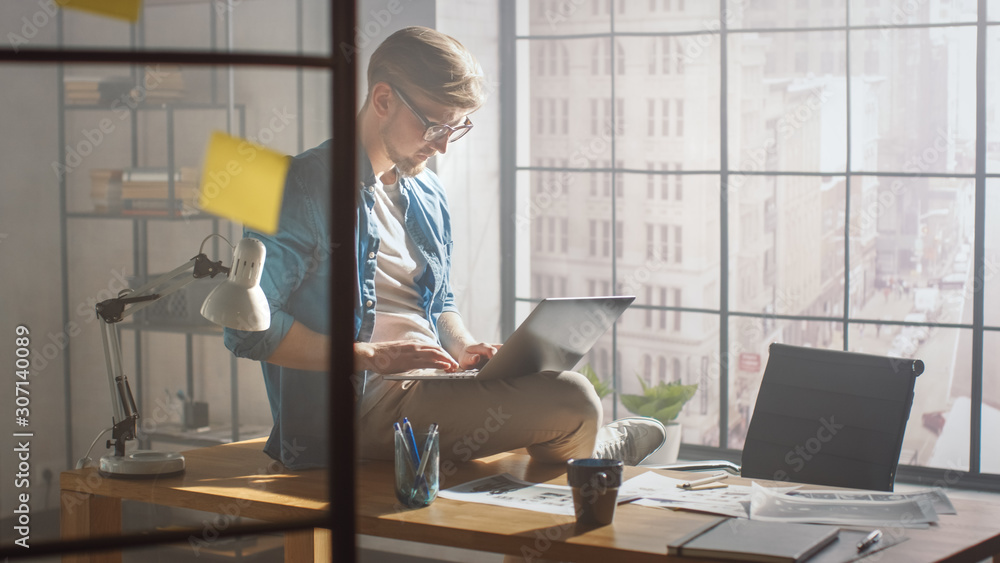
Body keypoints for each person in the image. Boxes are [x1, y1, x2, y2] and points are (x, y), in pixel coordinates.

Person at [224, 26, 666, 470]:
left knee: (556, 383)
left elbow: (440, 303)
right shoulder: (295, 186)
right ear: (383, 100)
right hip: (354, 411)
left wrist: (465, 348)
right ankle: (592, 451)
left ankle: (581, 450)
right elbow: (247, 330)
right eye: (435, 126)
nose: (443, 148)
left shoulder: (427, 192)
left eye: (456, 129)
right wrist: (368, 356)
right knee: (574, 399)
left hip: (429, 386)